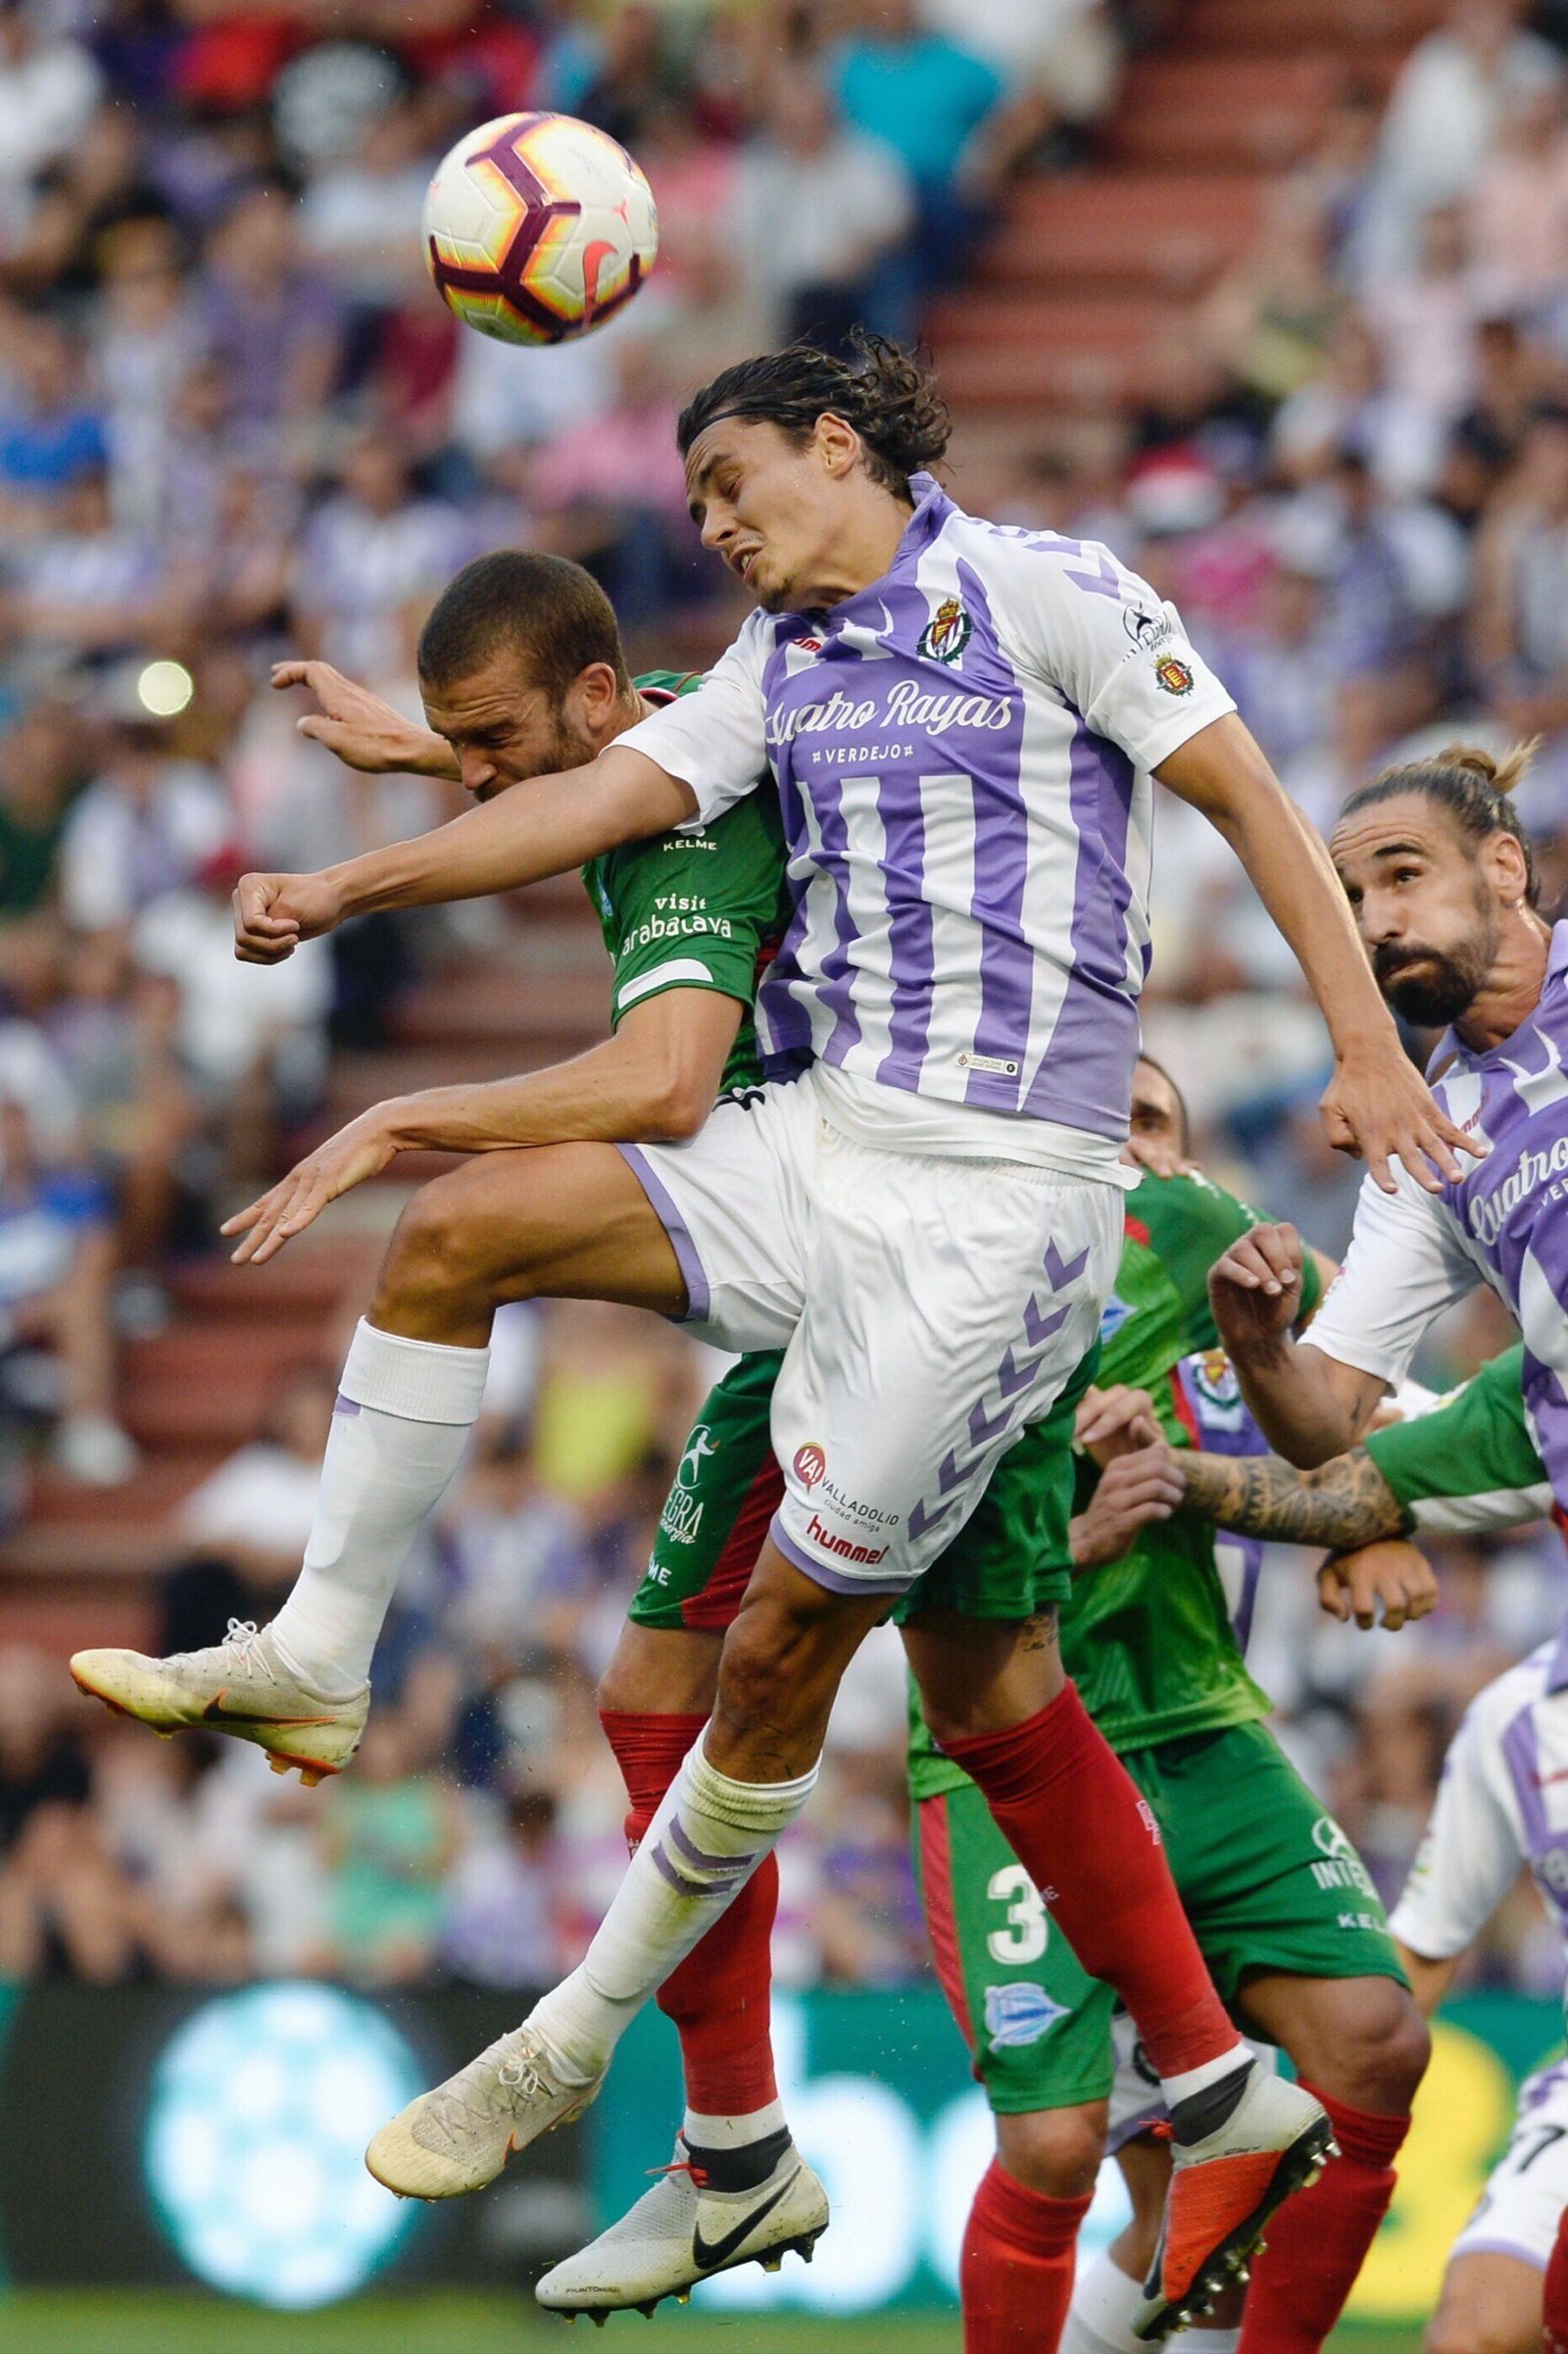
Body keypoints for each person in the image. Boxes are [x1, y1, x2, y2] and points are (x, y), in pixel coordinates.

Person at [87, 336, 1463, 2334]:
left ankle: (577, 2045)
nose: (714, 526)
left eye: (733, 484)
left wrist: (1359, 1046)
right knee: (460, 1229)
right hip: (820, 1146)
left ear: (840, 446)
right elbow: (601, 784)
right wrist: (345, 881)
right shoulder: (774, 665)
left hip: (997, 1199)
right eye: (698, 503)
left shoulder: (1044, 591)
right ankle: (319, 1656)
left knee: (790, 1654)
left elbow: (1247, 794)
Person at [906, 1064, 1428, 2354]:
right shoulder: (945, 1269)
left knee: (1369, 2044)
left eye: (1156, 1125)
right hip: (1015, 1747)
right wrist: (1072, 1532)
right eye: (1109, 1116)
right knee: (1068, 2151)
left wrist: (1367, 1518)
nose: (1131, 1146)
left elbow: (1367, 1402)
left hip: (1200, 1729)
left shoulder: (1201, 1270)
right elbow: (862, 1555)